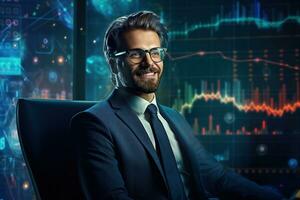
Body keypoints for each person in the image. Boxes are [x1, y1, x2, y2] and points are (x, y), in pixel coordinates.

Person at [71, 10, 285, 200]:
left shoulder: (173, 117)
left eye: (155, 52)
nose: (149, 63)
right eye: (136, 54)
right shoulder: (94, 123)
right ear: (113, 62)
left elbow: (216, 176)